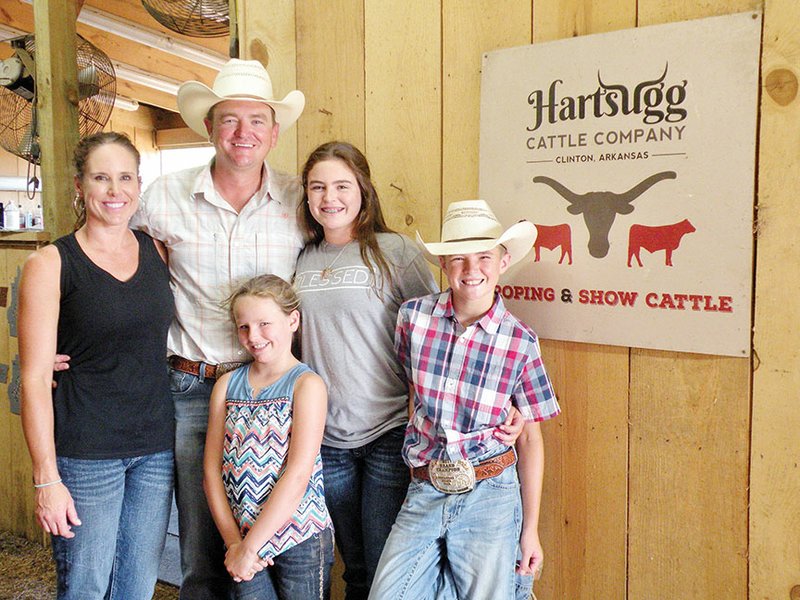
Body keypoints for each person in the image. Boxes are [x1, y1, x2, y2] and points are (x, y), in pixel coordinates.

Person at [130, 58, 307, 599]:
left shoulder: (302, 200)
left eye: (256, 120)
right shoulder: (162, 195)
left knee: (278, 536)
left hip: (274, 392)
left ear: (274, 132)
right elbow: (109, 264)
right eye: (229, 120)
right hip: (191, 384)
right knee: (202, 548)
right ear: (208, 127)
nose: (242, 133)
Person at [369, 200, 561, 600]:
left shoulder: (519, 341)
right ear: (443, 264)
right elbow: (414, 395)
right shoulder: (413, 318)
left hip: (490, 491)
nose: (472, 271)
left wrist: (530, 530)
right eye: (458, 259)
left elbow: (531, 439)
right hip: (425, 484)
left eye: (484, 257)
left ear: (503, 262)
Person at [19, 132, 174, 600]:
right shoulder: (51, 262)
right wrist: (46, 477)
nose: (114, 190)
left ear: (139, 184)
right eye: (101, 178)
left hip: (154, 448)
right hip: (85, 451)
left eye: (124, 177)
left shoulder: (157, 252)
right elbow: (32, 378)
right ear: (80, 185)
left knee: (136, 587)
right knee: (85, 586)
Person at [292, 141, 438, 599]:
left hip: (387, 432)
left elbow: (435, 335)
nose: (329, 197)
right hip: (324, 437)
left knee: (383, 566)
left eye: (341, 185)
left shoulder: (394, 252)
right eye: (317, 187)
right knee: (352, 563)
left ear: (363, 191)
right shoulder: (302, 257)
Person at [203, 274, 334, 599]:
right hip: (240, 536)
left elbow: (298, 473)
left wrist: (251, 545)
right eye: (244, 326)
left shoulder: (306, 385)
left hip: (299, 535)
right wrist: (235, 544)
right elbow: (210, 472)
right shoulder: (227, 385)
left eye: (265, 324)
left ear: (293, 320)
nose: (254, 336)